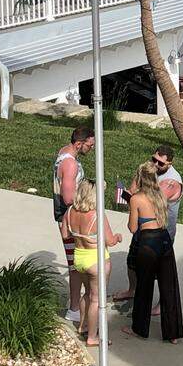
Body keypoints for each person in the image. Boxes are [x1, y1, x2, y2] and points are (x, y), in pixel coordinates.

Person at [121, 163, 183, 343]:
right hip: (164, 240)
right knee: (169, 286)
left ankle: (139, 329)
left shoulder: (137, 199)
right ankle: (173, 334)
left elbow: (133, 228)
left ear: (139, 178)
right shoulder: (160, 195)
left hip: (148, 242)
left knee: (144, 287)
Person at [61, 179, 122, 346]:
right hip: (96, 260)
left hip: (79, 258)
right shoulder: (97, 215)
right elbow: (109, 241)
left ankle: (83, 325)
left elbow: (65, 235)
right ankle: (93, 336)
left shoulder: (70, 211)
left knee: (86, 294)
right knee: (97, 299)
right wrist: (117, 237)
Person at [53, 125, 95, 322]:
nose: (91, 148)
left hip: (68, 218)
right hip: (71, 220)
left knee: (75, 263)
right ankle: (75, 309)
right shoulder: (70, 164)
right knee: (76, 266)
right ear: (79, 144)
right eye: (89, 145)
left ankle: (78, 305)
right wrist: (90, 195)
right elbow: (68, 197)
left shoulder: (64, 152)